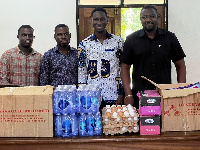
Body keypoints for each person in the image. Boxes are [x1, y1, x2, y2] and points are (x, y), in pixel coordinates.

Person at [120, 5, 186, 108]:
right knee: (141, 123)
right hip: (139, 95)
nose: (148, 20)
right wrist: (128, 94)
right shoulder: (131, 40)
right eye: (144, 17)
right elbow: (125, 67)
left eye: (152, 16)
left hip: (165, 95)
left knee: (164, 123)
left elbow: (180, 65)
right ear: (141, 20)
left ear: (158, 17)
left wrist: (182, 90)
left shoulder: (170, 38)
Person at [78, 7, 124, 106]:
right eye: (96, 19)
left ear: (107, 20)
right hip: (92, 96)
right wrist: (83, 94)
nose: (99, 22)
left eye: (102, 19)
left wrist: (122, 93)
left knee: (113, 121)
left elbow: (123, 69)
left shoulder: (118, 42)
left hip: (113, 95)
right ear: (91, 21)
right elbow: (81, 71)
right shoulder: (84, 44)